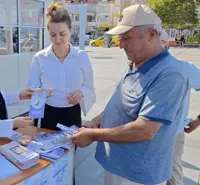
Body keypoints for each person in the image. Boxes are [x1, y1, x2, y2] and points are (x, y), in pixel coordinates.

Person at [72, 5, 189, 185]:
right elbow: (121, 103)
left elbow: (144, 130)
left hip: (137, 176)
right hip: (117, 167)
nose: (120, 45)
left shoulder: (169, 74)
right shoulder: (137, 63)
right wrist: (96, 120)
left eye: (126, 38)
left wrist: (94, 135)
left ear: (151, 35)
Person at [27, 2, 95, 131]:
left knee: (70, 148)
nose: (58, 39)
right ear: (48, 33)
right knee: (44, 148)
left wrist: (81, 93)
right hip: (47, 113)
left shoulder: (81, 56)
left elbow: (88, 85)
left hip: (72, 112)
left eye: (62, 34)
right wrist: (40, 92)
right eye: (53, 35)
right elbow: (32, 87)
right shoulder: (39, 58)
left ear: (70, 31)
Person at [160, 30, 200, 185]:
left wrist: (198, 120)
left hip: (172, 135)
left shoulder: (184, 69)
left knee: (173, 176)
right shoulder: (138, 68)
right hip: (142, 136)